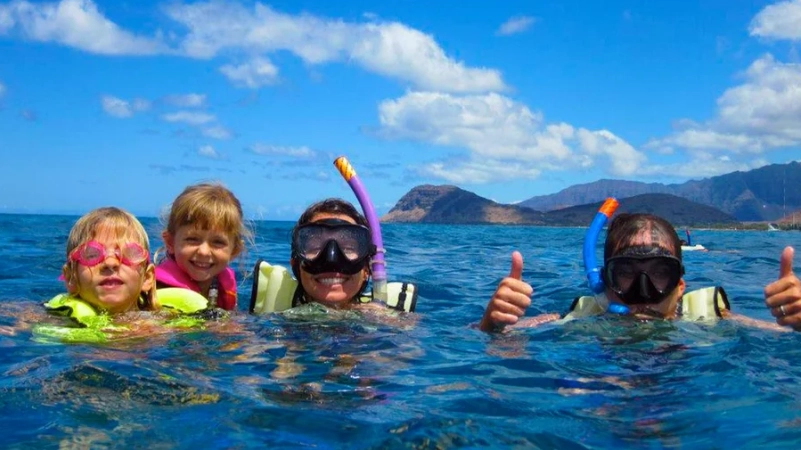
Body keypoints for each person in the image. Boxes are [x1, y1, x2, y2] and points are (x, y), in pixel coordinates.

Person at [479, 212, 787, 333]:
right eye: (626, 274)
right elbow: (489, 336)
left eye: (659, 275)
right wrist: (493, 321)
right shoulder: (578, 317)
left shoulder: (713, 317)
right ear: (603, 283)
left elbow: (783, 335)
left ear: (680, 285)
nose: (643, 293)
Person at [40, 207, 207, 341]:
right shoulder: (57, 319)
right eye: (92, 254)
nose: (111, 263)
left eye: (129, 254)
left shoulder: (169, 317)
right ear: (71, 277)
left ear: (148, 278)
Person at [250, 198, 417, 313]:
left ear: (367, 269)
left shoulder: (396, 325)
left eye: (349, 248)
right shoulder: (264, 323)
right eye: (315, 247)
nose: (331, 259)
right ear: (295, 265)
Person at [157, 182, 249, 311]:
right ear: (170, 243)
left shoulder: (222, 286)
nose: (204, 252)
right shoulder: (155, 291)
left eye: (218, 242)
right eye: (192, 239)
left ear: (234, 251)